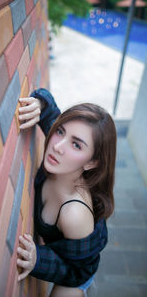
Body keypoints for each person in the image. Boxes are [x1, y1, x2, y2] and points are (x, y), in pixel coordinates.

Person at [16, 88, 116, 297]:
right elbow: (50, 107)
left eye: (76, 145)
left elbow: (78, 271)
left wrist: (39, 261)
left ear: (92, 162)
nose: (57, 147)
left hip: (77, 275)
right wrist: (39, 104)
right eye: (60, 131)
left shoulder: (74, 213)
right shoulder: (60, 155)